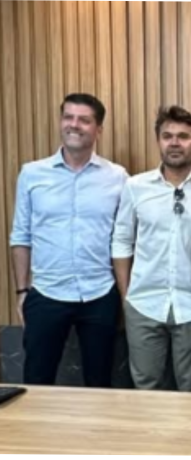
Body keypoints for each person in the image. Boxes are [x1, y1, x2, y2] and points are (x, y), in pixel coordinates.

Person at [10, 93, 128, 387]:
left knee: (100, 383)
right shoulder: (31, 174)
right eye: (68, 117)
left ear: (98, 129)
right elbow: (21, 235)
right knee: (36, 381)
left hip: (100, 293)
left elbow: (124, 239)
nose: (74, 125)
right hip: (46, 292)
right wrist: (22, 291)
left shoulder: (118, 177)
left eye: (84, 120)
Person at [111, 106, 191, 391]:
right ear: (158, 142)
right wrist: (126, 296)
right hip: (143, 304)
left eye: (183, 136)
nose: (174, 142)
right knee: (146, 387)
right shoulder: (135, 186)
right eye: (167, 136)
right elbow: (122, 240)